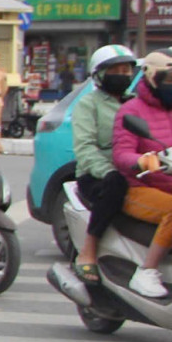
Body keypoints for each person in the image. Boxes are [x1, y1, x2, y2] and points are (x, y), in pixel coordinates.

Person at [114, 49, 172, 298]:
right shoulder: (131, 110)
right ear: (153, 77)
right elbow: (122, 154)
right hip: (141, 188)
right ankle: (146, 271)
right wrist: (144, 161)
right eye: (170, 78)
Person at [71, 44, 137, 283]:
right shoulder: (88, 104)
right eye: (116, 70)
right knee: (116, 185)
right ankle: (89, 249)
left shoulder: (137, 103)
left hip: (136, 169)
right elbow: (85, 147)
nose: (123, 74)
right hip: (98, 175)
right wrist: (107, 170)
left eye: (127, 70)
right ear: (99, 74)